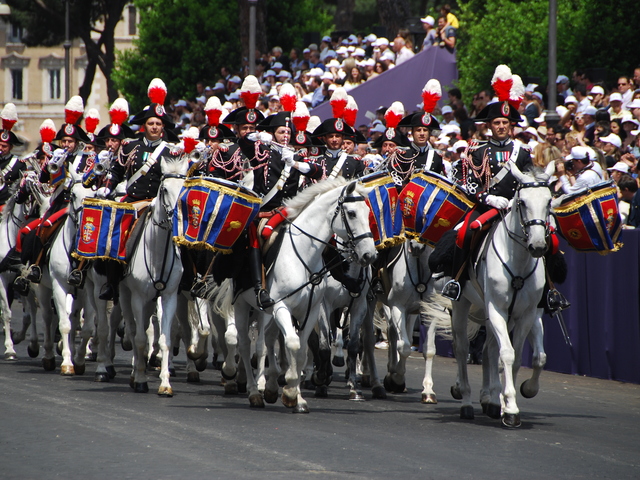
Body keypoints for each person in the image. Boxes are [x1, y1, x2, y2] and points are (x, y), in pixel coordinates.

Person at [440, 76, 533, 301]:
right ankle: (457, 281)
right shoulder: (477, 150)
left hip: (516, 208)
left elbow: (529, 181)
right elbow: (467, 183)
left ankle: (548, 291)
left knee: (547, 238)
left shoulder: (522, 152)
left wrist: (518, 200)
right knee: (464, 233)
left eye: (504, 123)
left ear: (511, 125)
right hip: (486, 206)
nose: (501, 126)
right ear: (489, 126)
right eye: (496, 123)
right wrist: (489, 198)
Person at [95, 79, 178, 300]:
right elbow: (115, 171)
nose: (155, 127)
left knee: (182, 237)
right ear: (145, 125)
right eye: (151, 123)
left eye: (159, 124)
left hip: (161, 204)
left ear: (163, 127)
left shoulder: (171, 151)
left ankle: (188, 279)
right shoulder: (130, 146)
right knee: (114, 233)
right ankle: (112, 283)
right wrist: (108, 187)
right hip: (132, 202)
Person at [0, 103, 26, 208]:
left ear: (11, 147)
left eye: (4, 146)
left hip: (7, 205)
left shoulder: (18, 164)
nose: (1, 148)